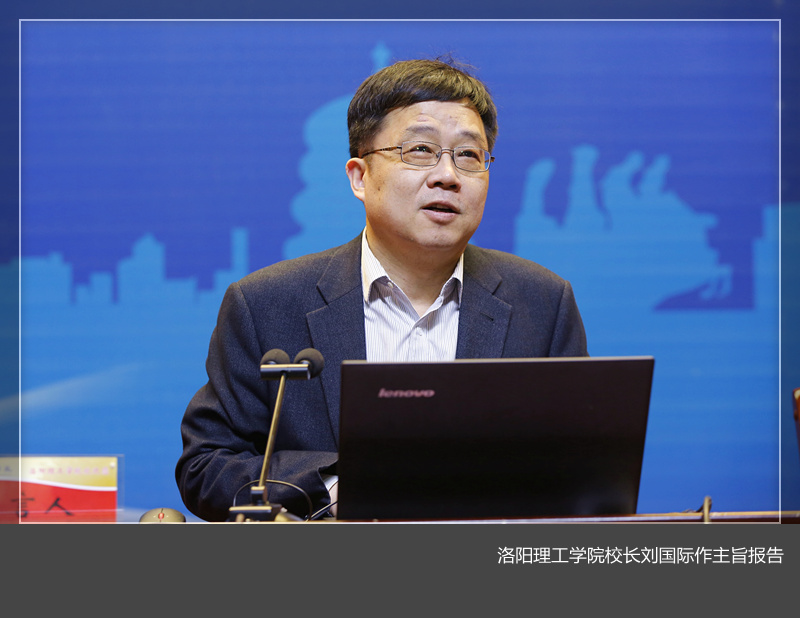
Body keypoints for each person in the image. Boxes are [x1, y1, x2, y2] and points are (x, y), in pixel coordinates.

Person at [175, 57, 588, 522]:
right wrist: (339, 487)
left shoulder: (542, 303)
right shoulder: (266, 304)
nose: (447, 175)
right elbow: (206, 467)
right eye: (420, 150)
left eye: (469, 155)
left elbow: (581, 471)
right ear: (360, 177)